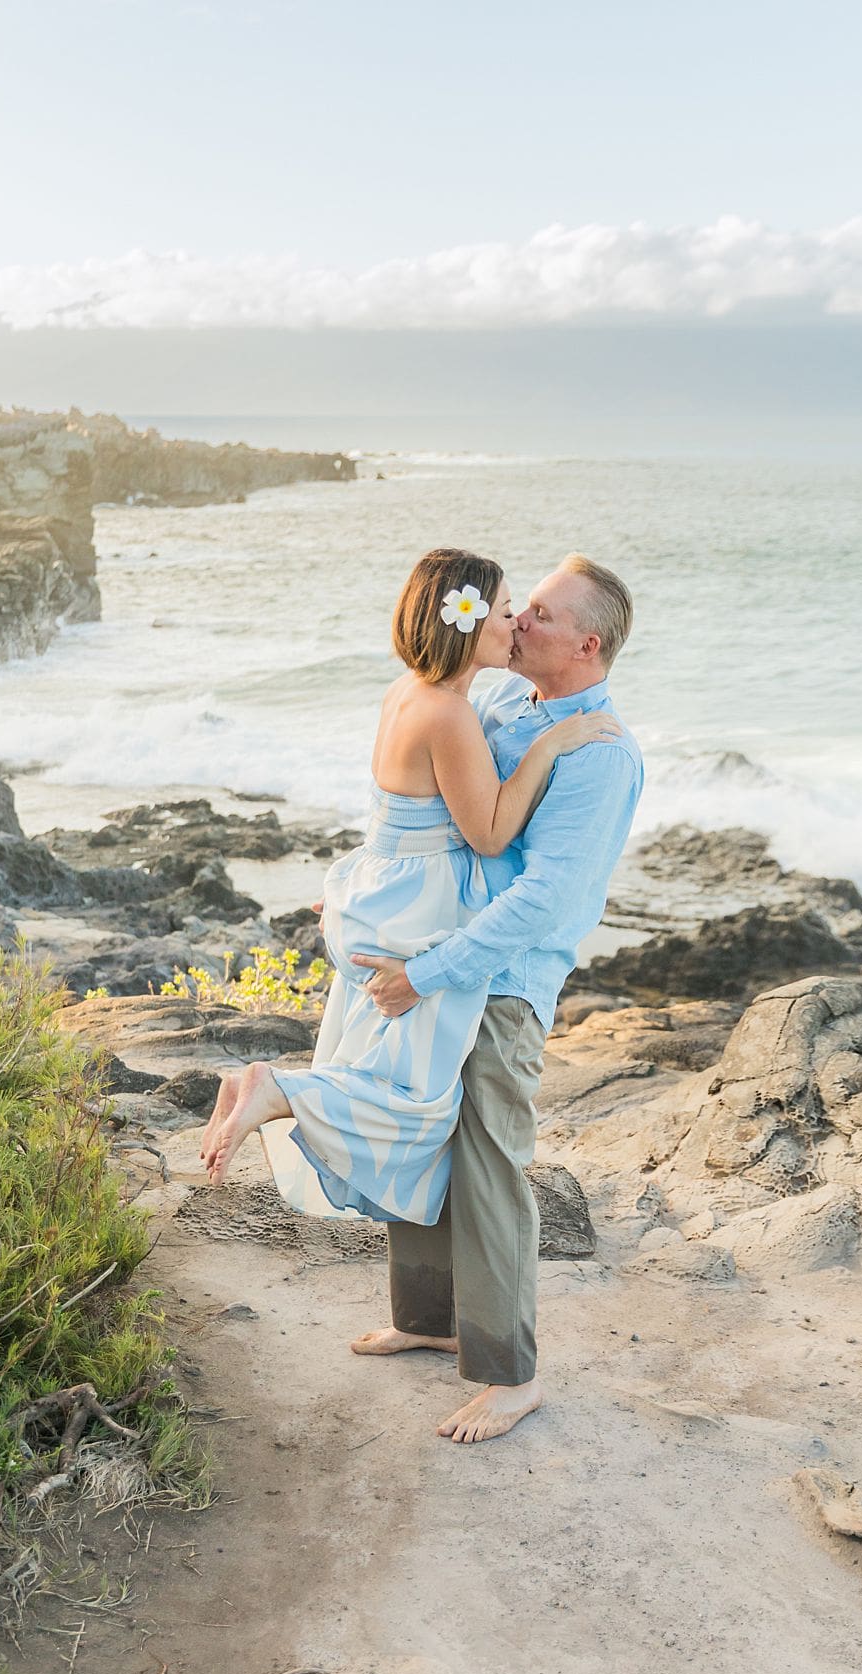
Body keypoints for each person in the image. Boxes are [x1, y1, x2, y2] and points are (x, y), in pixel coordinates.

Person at [200, 549, 618, 1238]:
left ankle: (268, 1093)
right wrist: (549, 747)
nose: (515, 624)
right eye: (508, 610)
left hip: (381, 889)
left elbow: (411, 808)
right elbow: (486, 834)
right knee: (414, 1100)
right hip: (415, 910)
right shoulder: (451, 713)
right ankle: (276, 1092)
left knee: (388, 1074)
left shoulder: (413, 693)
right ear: (470, 622)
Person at [349, 555, 644, 1445]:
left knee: (487, 1167)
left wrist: (430, 972)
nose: (518, 624)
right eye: (519, 609)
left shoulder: (600, 754)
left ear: (586, 645)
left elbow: (545, 901)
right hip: (440, 950)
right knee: (425, 1132)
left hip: (500, 980)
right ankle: (429, 1318)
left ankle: (513, 1376)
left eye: (540, 616)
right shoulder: (505, 701)